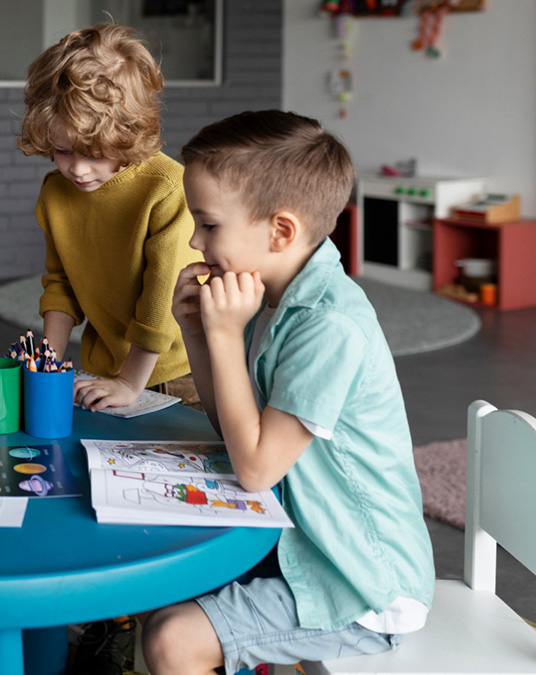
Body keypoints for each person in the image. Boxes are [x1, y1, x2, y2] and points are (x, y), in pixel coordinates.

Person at [140, 110, 434, 674]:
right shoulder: (273, 293)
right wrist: (200, 336)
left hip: (360, 582)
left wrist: (224, 333)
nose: (195, 242)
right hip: (303, 543)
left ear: (280, 231)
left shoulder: (329, 325)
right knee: (162, 577)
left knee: (172, 642)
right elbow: (230, 420)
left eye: (208, 225)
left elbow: (254, 468)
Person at [17, 22, 203, 418]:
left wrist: (131, 382)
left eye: (96, 154)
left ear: (130, 135)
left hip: (176, 373)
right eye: (64, 151)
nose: (79, 170)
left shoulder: (167, 188)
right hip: (104, 367)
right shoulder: (55, 192)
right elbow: (61, 283)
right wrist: (45, 364)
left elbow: (162, 299)